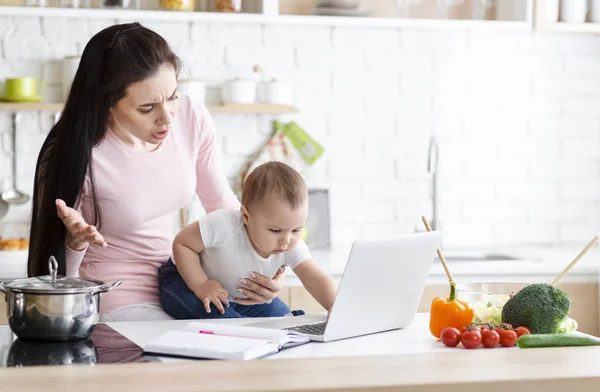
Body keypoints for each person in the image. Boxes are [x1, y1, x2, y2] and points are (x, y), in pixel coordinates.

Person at [27, 22, 287, 322]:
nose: (167, 118)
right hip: (115, 296)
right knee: (227, 339)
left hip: (180, 279)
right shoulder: (73, 152)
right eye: (147, 108)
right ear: (107, 103)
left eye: (173, 96)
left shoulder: (191, 117)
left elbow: (222, 206)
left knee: (280, 326)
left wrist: (262, 271)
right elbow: (57, 280)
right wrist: (75, 243)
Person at [159, 161, 338, 319]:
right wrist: (201, 284)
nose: (286, 240)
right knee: (221, 319)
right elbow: (182, 244)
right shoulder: (223, 224)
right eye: (275, 230)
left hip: (234, 296)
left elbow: (316, 278)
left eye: (297, 229)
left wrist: (335, 306)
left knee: (283, 320)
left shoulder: (291, 243)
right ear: (246, 216)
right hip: (184, 281)